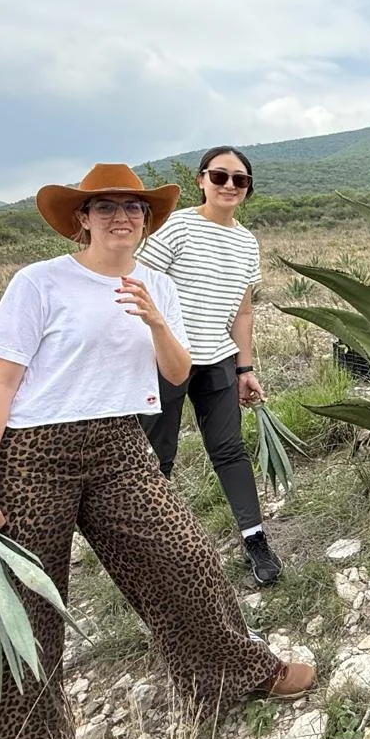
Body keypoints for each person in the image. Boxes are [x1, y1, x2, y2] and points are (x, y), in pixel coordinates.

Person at [0, 163, 314, 739]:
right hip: (34, 454)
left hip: (118, 446)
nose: (121, 217)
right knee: (29, 613)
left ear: (148, 220)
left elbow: (177, 369)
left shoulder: (157, 285)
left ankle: (236, 675)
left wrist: (155, 319)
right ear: (81, 218)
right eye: (105, 207)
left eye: (134, 209)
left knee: (184, 560)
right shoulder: (40, 282)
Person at [137, 146, 281, 585]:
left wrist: (244, 367)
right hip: (165, 359)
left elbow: (242, 312)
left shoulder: (246, 241)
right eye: (220, 176)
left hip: (217, 358)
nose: (230, 186)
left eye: (240, 180)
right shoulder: (177, 226)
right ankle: (154, 550)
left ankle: (255, 539)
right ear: (201, 180)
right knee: (158, 456)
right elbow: (140, 287)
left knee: (229, 449)